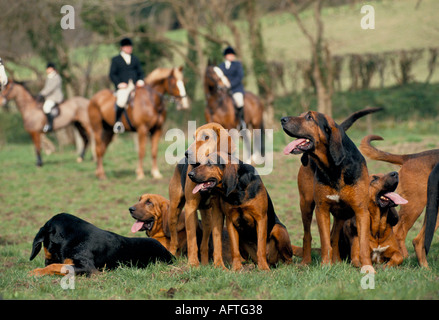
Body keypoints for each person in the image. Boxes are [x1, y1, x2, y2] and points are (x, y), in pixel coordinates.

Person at [109, 37, 145, 133]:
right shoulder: (116, 60)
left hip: (135, 86)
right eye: (127, 47)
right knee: (121, 100)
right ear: (122, 48)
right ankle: (117, 122)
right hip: (123, 87)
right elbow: (112, 74)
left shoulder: (135, 59)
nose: (130, 48)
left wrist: (140, 80)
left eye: (130, 46)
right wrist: (119, 84)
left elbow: (140, 72)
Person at [218, 46, 246, 130]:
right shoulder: (221, 66)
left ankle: (241, 121)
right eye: (230, 55)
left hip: (236, 89)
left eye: (232, 55)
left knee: (239, 102)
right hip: (224, 91)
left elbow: (239, 77)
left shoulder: (237, 64)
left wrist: (230, 85)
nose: (232, 56)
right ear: (226, 56)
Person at [38, 62, 64, 133]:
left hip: (55, 97)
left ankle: (50, 125)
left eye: (48, 68)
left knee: (46, 107)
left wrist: (41, 94)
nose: (47, 70)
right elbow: (47, 88)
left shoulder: (56, 77)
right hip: (49, 96)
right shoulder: (49, 77)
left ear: (52, 69)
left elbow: (50, 88)